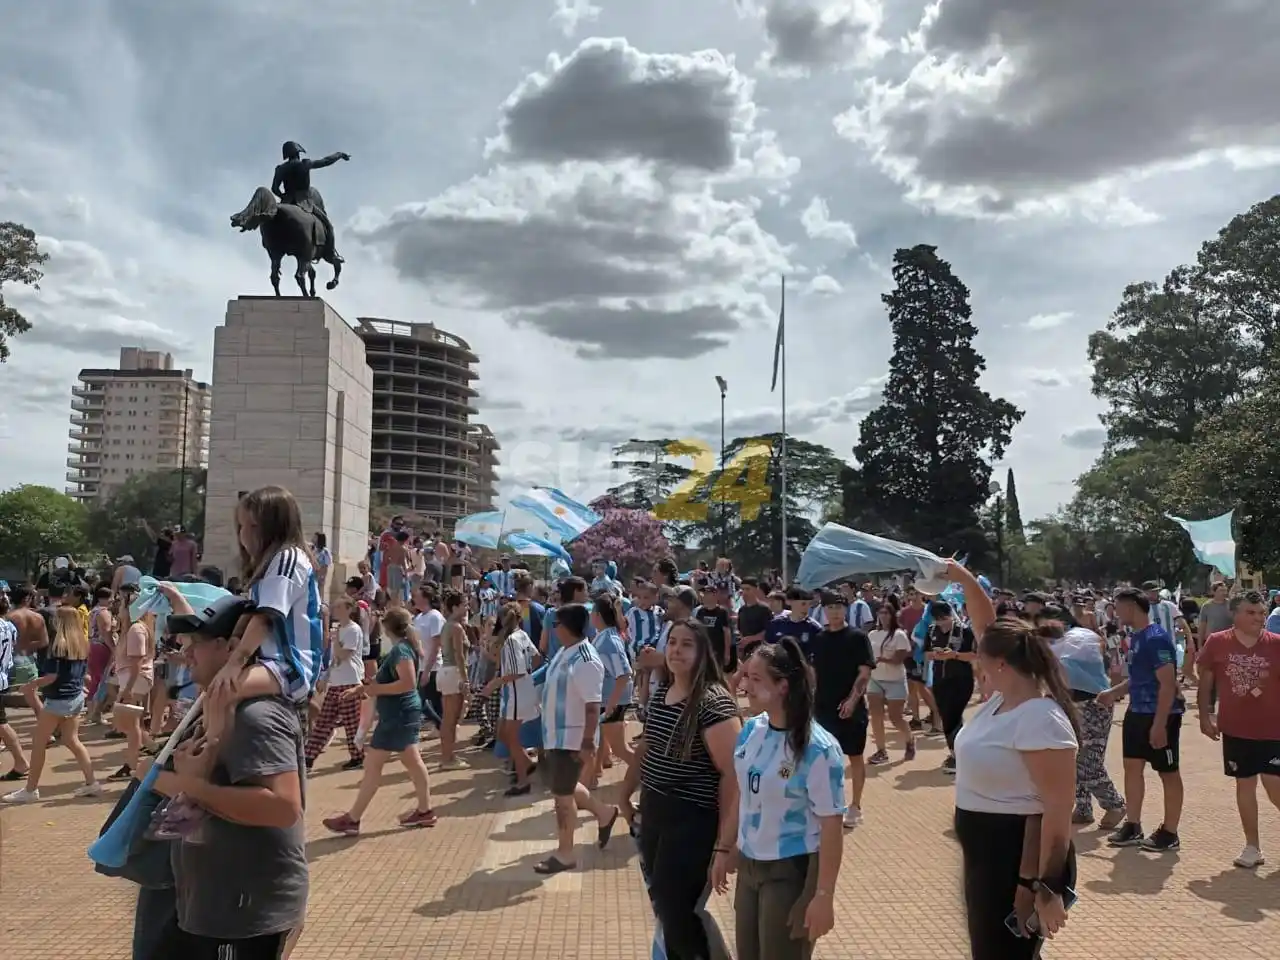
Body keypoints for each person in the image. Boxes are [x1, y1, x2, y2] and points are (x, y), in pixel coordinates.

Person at [144, 594, 309, 960]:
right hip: (208, 906)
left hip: (243, 914)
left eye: (197, 644)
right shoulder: (214, 705)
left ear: (232, 648)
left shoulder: (257, 715)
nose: (186, 653)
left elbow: (282, 808)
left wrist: (185, 784)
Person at [946, 563, 1078, 960]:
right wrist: (965, 579)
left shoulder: (1040, 718)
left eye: (980, 657)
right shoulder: (1004, 700)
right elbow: (987, 625)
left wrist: (1043, 887)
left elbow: (1057, 811)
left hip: (1017, 861)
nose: (976, 662)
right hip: (986, 856)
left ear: (1000, 663)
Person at [721, 637, 845, 960]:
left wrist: (823, 895)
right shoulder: (751, 731)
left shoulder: (819, 749)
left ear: (783, 687)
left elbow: (832, 826)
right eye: (746, 676)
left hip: (791, 871)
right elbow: (743, 796)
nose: (744, 685)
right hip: (750, 868)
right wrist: (724, 847)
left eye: (755, 679)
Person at [632, 619, 741, 959]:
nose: (676, 650)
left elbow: (733, 776)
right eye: (673, 642)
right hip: (654, 810)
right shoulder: (665, 689)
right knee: (664, 904)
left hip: (691, 819)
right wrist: (625, 793)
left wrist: (724, 844)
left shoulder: (713, 702)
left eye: (686, 645)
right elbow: (648, 744)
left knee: (678, 908)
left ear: (702, 652)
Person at [206, 486, 324, 721]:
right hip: (270, 660)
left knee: (221, 692)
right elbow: (252, 612)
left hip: (290, 666)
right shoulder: (271, 563)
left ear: (275, 528)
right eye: (241, 526)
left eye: (253, 527)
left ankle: (208, 751)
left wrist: (234, 663)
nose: (243, 535)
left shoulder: (287, 559)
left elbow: (266, 617)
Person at [322, 607, 436, 835]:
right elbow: (388, 680)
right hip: (401, 714)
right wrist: (361, 689)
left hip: (398, 716)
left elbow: (407, 683)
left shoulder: (401, 651)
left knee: (374, 765)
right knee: (412, 762)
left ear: (386, 627)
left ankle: (353, 819)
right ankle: (425, 811)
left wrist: (374, 689)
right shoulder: (402, 649)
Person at [1196, 590, 1280, 869]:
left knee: (1274, 784)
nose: (1258, 618)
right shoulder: (1218, 643)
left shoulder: (1276, 644)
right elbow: (1206, 679)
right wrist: (1205, 715)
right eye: (1251, 612)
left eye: (1261, 613)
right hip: (1235, 728)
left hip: (1273, 728)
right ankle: (1252, 846)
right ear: (1235, 613)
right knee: (1245, 784)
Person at [535, 603, 619, 874]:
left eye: (555, 623)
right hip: (555, 736)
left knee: (562, 798)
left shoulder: (585, 660)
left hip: (570, 739)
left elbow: (593, 706)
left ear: (566, 626)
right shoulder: (564, 652)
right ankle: (605, 813)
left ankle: (566, 853)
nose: (552, 628)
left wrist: (587, 744)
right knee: (565, 789)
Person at [1102, 587, 1185, 852]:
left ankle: (1170, 831)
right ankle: (1133, 825)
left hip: (1161, 715)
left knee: (1168, 773)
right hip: (1137, 712)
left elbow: (1168, 683)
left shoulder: (1156, 638)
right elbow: (1139, 678)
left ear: (1131, 607)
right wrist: (1113, 692)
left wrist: (1160, 724)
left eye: (1118, 607)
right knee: (1132, 767)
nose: (1115, 613)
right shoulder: (1136, 638)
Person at [2, 607, 102, 803]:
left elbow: (51, 677)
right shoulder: (81, 644)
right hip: (74, 698)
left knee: (39, 743)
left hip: (58, 701)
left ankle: (30, 790)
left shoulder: (58, 646)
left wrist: (31, 685)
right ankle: (92, 782)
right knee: (72, 741)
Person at [806, 592, 873, 827]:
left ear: (846, 609)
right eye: (829, 607)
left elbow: (864, 673)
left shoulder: (857, 638)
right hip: (822, 707)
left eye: (838, 607)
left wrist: (852, 700)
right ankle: (828, 803)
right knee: (823, 759)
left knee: (854, 756)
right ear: (823, 610)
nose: (834, 612)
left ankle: (856, 806)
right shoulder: (820, 638)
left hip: (851, 708)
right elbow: (813, 673)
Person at [481, 603, 541, 795]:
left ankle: (523, 780)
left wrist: (493, 684)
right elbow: (537, 656)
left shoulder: (511, 641)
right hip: (524, 690)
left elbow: (515, 672)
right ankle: (526, 763)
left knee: (511, 737)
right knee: (506, 735)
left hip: (517, 693)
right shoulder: (522, 635)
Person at [304, 598, 365, 772]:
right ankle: (308, 757)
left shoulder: (353, 629)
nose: (335, 610)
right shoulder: (340, 630)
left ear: (348, 609)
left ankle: (358, 757)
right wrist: (325, 677)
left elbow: (343, 654)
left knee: (351, 724)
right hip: (338, 681)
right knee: (324, 722)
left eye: (338, 607)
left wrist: (336, 638)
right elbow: (334, 659)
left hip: (350, 681)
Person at [924, 600, 977, 775]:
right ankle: (958, 752)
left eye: (944, 617)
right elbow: (925, 653)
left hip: (961, 680)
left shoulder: (964, 631)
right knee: (946, 715)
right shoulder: (931, 631)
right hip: (940, 679)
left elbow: (973, 655)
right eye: (937, 619)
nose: (941, 622)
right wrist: (935, 654)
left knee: (952, 716)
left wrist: (954, 655)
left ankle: (957, 755)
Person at [272, 140, 349, 262]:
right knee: (329, 226)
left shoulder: (280, 168)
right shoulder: (305, 164)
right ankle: (331, 254)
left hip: (286, 202)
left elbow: (274, 188)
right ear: (298, 152)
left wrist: (284, 197)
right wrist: (339, 154)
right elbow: (326, 161)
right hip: (305, 202)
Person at [865, 604, 915, 764]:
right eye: (881, 612)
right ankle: (881, 750)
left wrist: (881, 659)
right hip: (875, 678)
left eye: (887, 613)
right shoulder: (872, 634)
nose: (883, 616)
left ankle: (909, 739)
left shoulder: (899, 635)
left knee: (895, 718)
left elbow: (899, 659)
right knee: (876, 715)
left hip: (895, 680)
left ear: (893, 615)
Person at [436, 591, 470, 770]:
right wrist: (466, 681)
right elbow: (460, 656)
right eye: (464, 604)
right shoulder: (455, 627)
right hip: (453, 673)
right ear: (455, 607)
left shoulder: (449, 625)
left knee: (449, 718)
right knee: (451, 719)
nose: (467, 608)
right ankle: (447, 758)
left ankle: (448, 755)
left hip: (446, 672)